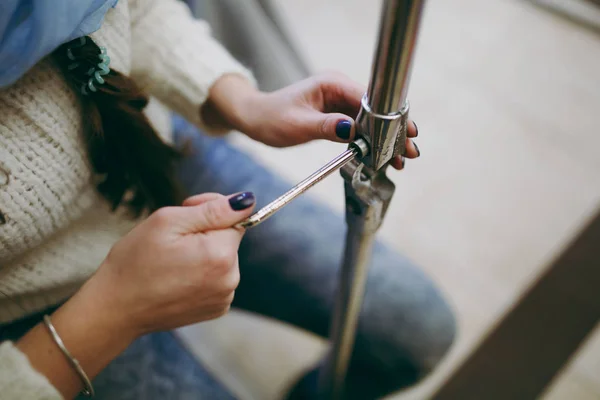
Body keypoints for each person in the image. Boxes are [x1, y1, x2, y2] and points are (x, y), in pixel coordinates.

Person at [0, 1, 456, 399]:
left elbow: (133, 9)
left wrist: (246, 104)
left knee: (420, 332)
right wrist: (116, 310)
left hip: (151, 157)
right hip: (43, 320)